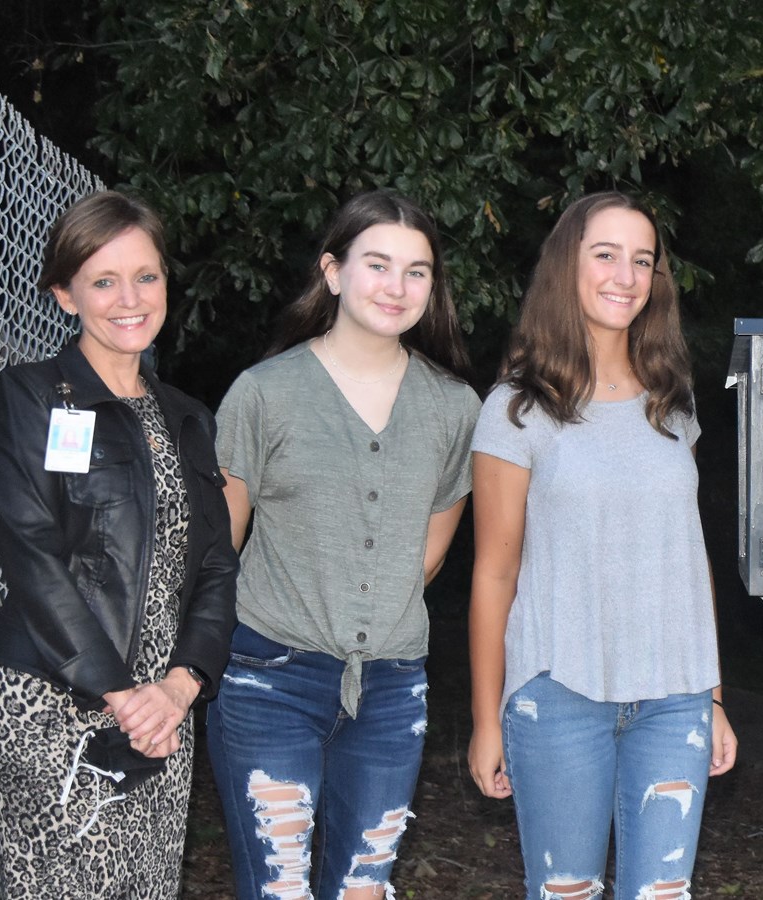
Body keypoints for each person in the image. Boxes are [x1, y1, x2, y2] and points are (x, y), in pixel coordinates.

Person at [206, 190, 480, 898]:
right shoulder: (264, 394)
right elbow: (219, 546)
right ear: (332, 272)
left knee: (363, 888)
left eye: (417, 271)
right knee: (280, 888)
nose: (397, 287)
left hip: (392, 689)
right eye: (378, 264)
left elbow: (429, 554)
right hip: (272, 675)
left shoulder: (455, 407)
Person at [467, 191, 737, 899]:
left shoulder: (671, 402)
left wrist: (711, 696)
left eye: (642, 260)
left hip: (673, 696)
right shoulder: (517, 408)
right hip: (559, 695)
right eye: (606, 254)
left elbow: (689, 555)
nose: (626, 274)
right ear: (567, 267)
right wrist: (484, 718)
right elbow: (494, 575)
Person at [0, 190, 237, 897]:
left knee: (148, 885)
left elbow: (216, 563)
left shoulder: (188, 418)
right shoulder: (31, 397)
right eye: (103, 280)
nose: (130, 298)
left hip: (162, 712)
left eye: (146, 276)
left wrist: (181, 686)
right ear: (65, 295)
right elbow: (30, 553)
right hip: (51, 701)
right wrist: (122, 694)